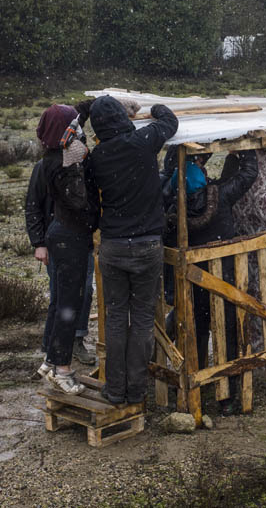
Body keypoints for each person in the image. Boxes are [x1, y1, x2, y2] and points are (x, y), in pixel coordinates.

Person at [86, 96, 178, 405]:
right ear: (124, 118)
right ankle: (136, 391)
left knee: (115, 319)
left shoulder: (96, 156)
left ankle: (115, 390)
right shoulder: (143, 141)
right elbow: (170, 122)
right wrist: (152, 110)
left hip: (113, 245)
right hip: (147, 244)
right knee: (141, 320)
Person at [163, 148, 259, 415]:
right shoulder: (219, 197)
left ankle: (191, 378)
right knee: (226, 332)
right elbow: (248, 174)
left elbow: (170, 170)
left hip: (193, 285)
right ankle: (225, 394)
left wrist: (182, 159)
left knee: (195, 329)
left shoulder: (173, 206)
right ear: (204, 179)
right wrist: (246, 147)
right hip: (223, 280)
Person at [25, 104, 99, 394]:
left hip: (66, 235)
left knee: (64, 302)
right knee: (69, 303)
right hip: (69, 237)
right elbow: (79, 200)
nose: (79, 132)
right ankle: (62, 369)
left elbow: (75, 118)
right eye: (73, 128)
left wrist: (92, 106)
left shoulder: (60, 153)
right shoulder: (61, 161)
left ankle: (50, 359)